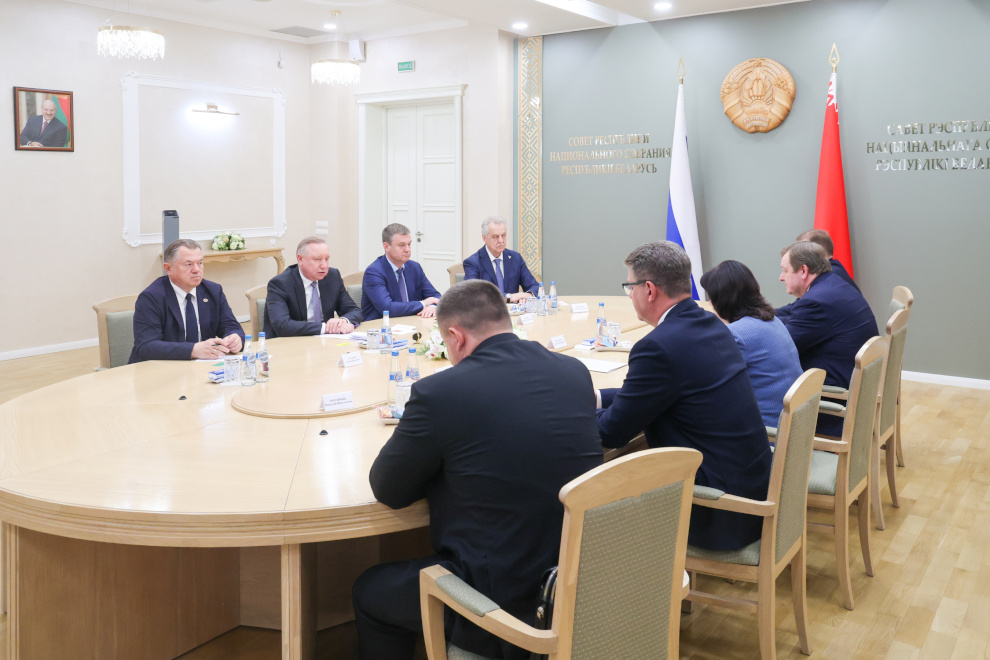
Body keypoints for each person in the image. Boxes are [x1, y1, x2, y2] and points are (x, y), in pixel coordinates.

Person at [353, 280, 603, 660]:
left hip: (500, 601)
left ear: (455, 338)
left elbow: (388, 489)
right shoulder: (573, 372)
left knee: (370, 590)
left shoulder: (441, 393)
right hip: (577, 579)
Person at [596, 241, 771, 551]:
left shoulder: (657, 347)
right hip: (754, 492)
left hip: (720, 512)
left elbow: (612, 432)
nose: (630, 295)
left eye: (630, 287)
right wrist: (596, 397)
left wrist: (570, 411)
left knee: (602, 507)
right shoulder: (711, 324)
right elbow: (658, 392)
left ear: (649, 290)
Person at [776, 241, 878, 436]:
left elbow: (782, 347)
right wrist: (757, 315)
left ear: (803, 270)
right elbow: (793, 311)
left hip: (835, 403)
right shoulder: (831, 284)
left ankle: (776, 447)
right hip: (857, 390)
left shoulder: (817, 301)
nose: (781, 277)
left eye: (785, 270)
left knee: (763, 384)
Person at [700, 260, 803, 428]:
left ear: (722, 300)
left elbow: (709, 385)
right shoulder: (772, 320)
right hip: (793, 427)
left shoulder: (737, 334)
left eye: (711, 298)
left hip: (767, 433)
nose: (710, 304)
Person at [129, 239, 244, 363]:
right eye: (189, 264)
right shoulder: (151, 297)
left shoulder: (213, 291)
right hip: (158, 368)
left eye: (200, 263)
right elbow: (147, 346)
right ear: (168, 268)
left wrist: (235, 338)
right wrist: (193, 350)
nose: (196, 270)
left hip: (201, 367)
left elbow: (231, 326)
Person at [263, 236, 361, 337]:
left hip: (325, 340)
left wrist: (342, 321)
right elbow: (282, 326)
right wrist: (326, 328)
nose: (324, 265)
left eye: (326, 259)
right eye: (317, 259)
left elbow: (354, 310)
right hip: (289, 342)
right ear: (300, 259)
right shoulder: (280, 284)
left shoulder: (332, 276)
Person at [361, 223, 442, 321]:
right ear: (386, 247)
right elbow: (388, 309)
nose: (407, 250)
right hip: (382, 326)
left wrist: (432, 306)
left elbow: (435, 296)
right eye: (402, 245)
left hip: (413, 323)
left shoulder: (414, 267)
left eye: (409, 244)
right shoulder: (374, 272)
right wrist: (423, 303)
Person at [462, 216, 539, 302]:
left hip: (514, 310)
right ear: (484, 238)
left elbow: (534, 286)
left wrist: (528, 295)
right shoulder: (473, 262)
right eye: (495, 237)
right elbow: (471, 294)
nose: (501, 241)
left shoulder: (515, 258)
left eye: (503, 235)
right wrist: (508, 297)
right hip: (487, 310)